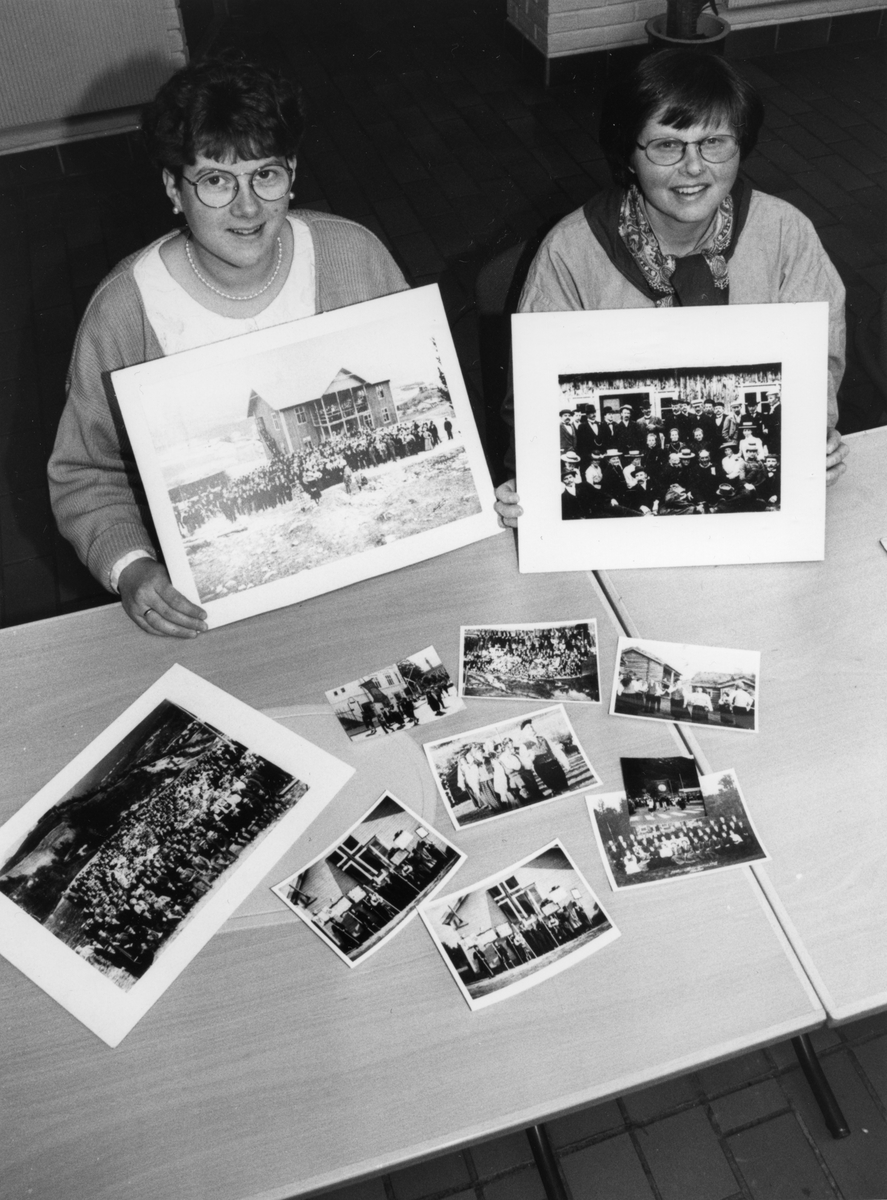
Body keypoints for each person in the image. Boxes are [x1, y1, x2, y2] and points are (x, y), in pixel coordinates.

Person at [48, 52, 409, 636]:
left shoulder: (354, 255)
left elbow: (420, 384)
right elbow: (83, 472)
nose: (246, 206)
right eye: (216, 180)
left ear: (292, 171)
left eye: (265, 173)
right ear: (174, 186)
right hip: (221, 605)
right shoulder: (126, 308)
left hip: (374, 570)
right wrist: (133, 567)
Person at [495, 50, 848, 527]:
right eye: (666, 146)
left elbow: (819, 366)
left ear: (741, 145)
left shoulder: (786, 234)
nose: (694, 167)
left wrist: (812, 440)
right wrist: (531, 483)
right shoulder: (569, 254)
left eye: (715, 142)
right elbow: (535, 408)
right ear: (628, 152)